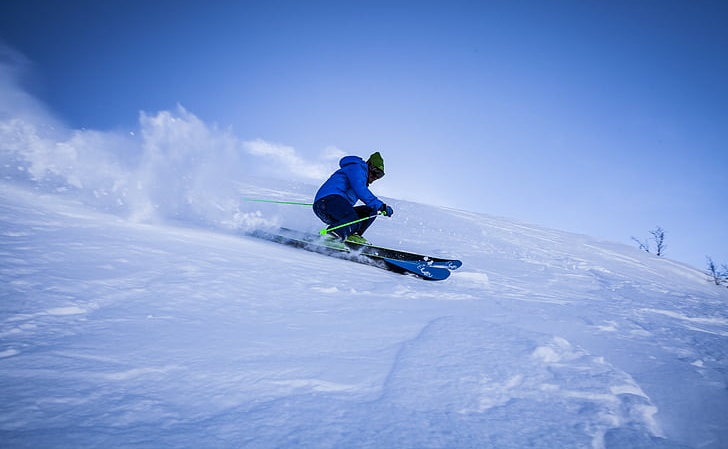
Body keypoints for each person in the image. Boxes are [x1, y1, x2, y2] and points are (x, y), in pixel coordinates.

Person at [313, 152, 394, 244]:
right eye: (375, 172)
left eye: (379, 176)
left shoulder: (362, 178)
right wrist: (381, 206)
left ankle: (351, 235)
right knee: (353, 217)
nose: (375, 177)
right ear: (369, 166)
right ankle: (331, 237)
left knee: (369, 212)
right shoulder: (357, 168)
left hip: (335, 206)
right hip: (327, 201)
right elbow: (360, 189)